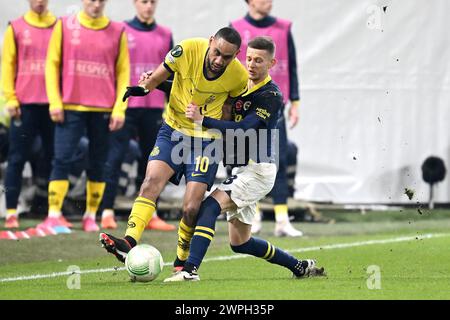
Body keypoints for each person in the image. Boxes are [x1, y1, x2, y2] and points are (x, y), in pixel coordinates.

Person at [164, 36, 324, 282]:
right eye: (248, 58)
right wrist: (158, 84)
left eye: (259, 60)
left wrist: (202, 120)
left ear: (272, 63)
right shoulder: (239, 85)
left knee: (208, 206)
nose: (251, 64)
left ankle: (189, 270)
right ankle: (299, 266)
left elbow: (247, 128)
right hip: (241, 171)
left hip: (258, 171)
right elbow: (201, 90)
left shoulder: (271, 95)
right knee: (240, 243)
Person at [99, 27, 248, 270]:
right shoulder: (187, 49)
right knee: (150, 183)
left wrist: (226, 139)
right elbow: (159, 75)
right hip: (173, 130)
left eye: (227, 57)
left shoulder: (238, 76)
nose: (219, 60)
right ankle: (128, 241)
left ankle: (181, 259)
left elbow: (228, 112)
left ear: (236, 54)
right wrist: (144, 88)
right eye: (217, 53)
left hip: (206, 140)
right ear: (210, 42)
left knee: (191, 208)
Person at [38, 0, 130, 232]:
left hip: (103, 109)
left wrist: (120, 108)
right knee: (62, 159)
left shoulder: (117, 30)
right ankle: (54, 214)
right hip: (70, 106)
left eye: (101, 0)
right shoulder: (64, 25)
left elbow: (123, 72)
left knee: (99, 162)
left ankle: (90, 216)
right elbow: (51, 64)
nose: (96, 4)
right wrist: (55, 101)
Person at [100, 0, 175, 231]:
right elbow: (114, 68)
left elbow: (173, 73)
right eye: (144, 1)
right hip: (127, 106)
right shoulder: (122, 30)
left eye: (153, 2)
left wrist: (169, 107)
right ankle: (106, 211)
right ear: (135, 3)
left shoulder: (165, 34)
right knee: (115, 157)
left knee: (152, 162)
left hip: (153, 107)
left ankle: (148, 214)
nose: (149, 6)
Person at [231, 0, 303, 237]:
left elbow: (291, 66)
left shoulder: (284, 27)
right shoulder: (236, 27)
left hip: (274, 106)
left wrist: (295, 102)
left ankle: (282, 218)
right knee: (247, 162)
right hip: (245, 106)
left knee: (278, 159)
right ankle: (256, 216)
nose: (268, 2)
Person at [1, 0, 56, 229]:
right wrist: (11, 98)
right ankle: (12, 211)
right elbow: (7, 66)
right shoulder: (16, 27)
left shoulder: (59, 26)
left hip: (54, 106)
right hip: (24, 105)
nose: (40, 2)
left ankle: (53, 213)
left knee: (54, 159)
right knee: (16, 158)